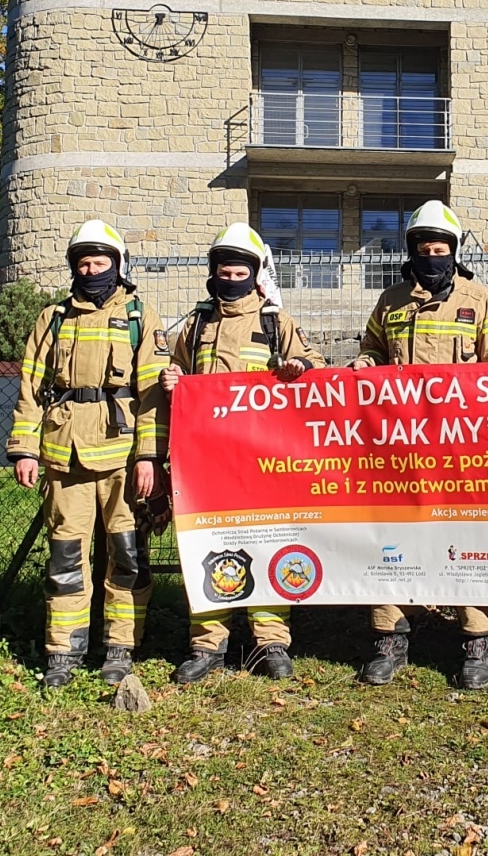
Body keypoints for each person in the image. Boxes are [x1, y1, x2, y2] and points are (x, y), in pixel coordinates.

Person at [350, 200, 488, 689]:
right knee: (390, 537)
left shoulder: (480, 299)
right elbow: (373, 350)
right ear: (412, 252)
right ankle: (389, 636)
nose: (432, 256)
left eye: (440, 249)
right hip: (399, 446)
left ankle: (476, 641)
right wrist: (365, 365)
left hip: (461, 447)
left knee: (468, 540)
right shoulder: (391, 299)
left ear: (454, 251)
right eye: (424, 249)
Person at [158, 223, 325, 682]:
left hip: (262, 461)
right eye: (224, 270)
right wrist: (172, 381)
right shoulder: (195, 324)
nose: (231, 277)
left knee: (267, 542)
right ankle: (208, 644)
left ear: (255, 273)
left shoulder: (275, 322)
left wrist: (299, 369)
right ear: (214, 274)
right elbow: (175, 373)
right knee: (206, 546)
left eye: (239, 270)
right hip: (205, 463)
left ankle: (271, 642)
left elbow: (317, 370)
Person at [8, 220, 168, 689]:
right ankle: (64, 651)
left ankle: (121, 648)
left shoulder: (141, 314)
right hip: (64, 457)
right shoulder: (52, 317)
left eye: (100, 263)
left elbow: (153, 393)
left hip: (122, 459)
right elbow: (30, 388)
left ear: (117, 267)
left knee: (128, 555)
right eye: (83, 263)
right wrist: (24, 449)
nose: (91, 270)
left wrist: (149, 458)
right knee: (65, 557)